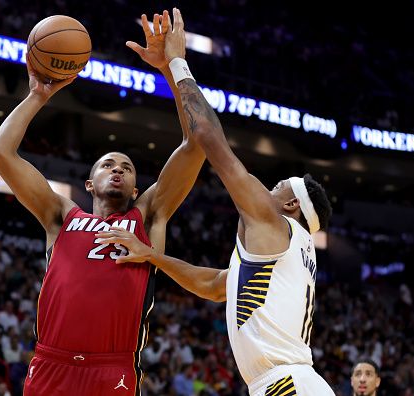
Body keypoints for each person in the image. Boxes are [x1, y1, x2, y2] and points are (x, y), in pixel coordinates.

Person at [96, 8, 334, 396]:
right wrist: (151, 255)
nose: (267, 191)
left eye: (278, 188)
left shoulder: (275, 225)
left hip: (287, 385)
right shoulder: (287, 255)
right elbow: (215, 284)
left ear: (291, 206)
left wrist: (176, 63)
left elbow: (207, 134)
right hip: (293, 383)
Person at [0, 10, 204, 396]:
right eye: (108, 165)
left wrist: (174, 66)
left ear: (137, 189)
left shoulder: (148, 216)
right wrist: (37, 96)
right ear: (89, 183)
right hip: (50, 364)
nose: (118, 170)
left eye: (128, 168)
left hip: (113, 370)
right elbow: (0, 152)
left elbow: (195, 144)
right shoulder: (60, 215)